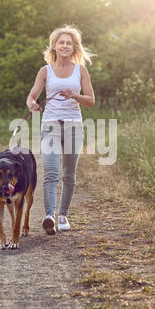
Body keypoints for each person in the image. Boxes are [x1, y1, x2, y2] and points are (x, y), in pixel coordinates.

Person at [26, 25, 95, 234]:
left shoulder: (80, 70)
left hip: (74, 125)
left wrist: (74, 95)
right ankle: (49, 216)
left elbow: (91, 101)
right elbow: (31, 96)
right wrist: (32, 104)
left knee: (68, 174)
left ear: (74, 47)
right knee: (51, 172)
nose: (65, 45)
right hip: (50, 125)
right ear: (54, 46)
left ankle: (63, 215)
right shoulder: (45, 71)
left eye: (69, 42)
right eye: (61, 42)